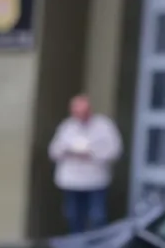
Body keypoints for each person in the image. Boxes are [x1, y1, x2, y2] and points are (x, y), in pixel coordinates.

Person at [48, 94, 123, 233]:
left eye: (84, 112)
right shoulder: (67, 127)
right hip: (71, 181)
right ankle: (76, 247)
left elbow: (115, 150)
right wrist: (68, 151)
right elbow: (53, 151)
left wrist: (92, 154)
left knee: (97, 217)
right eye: (77, 113)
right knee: (73, 216)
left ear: (90, 110)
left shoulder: (104, 126)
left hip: (95, 180)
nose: (81, 116)